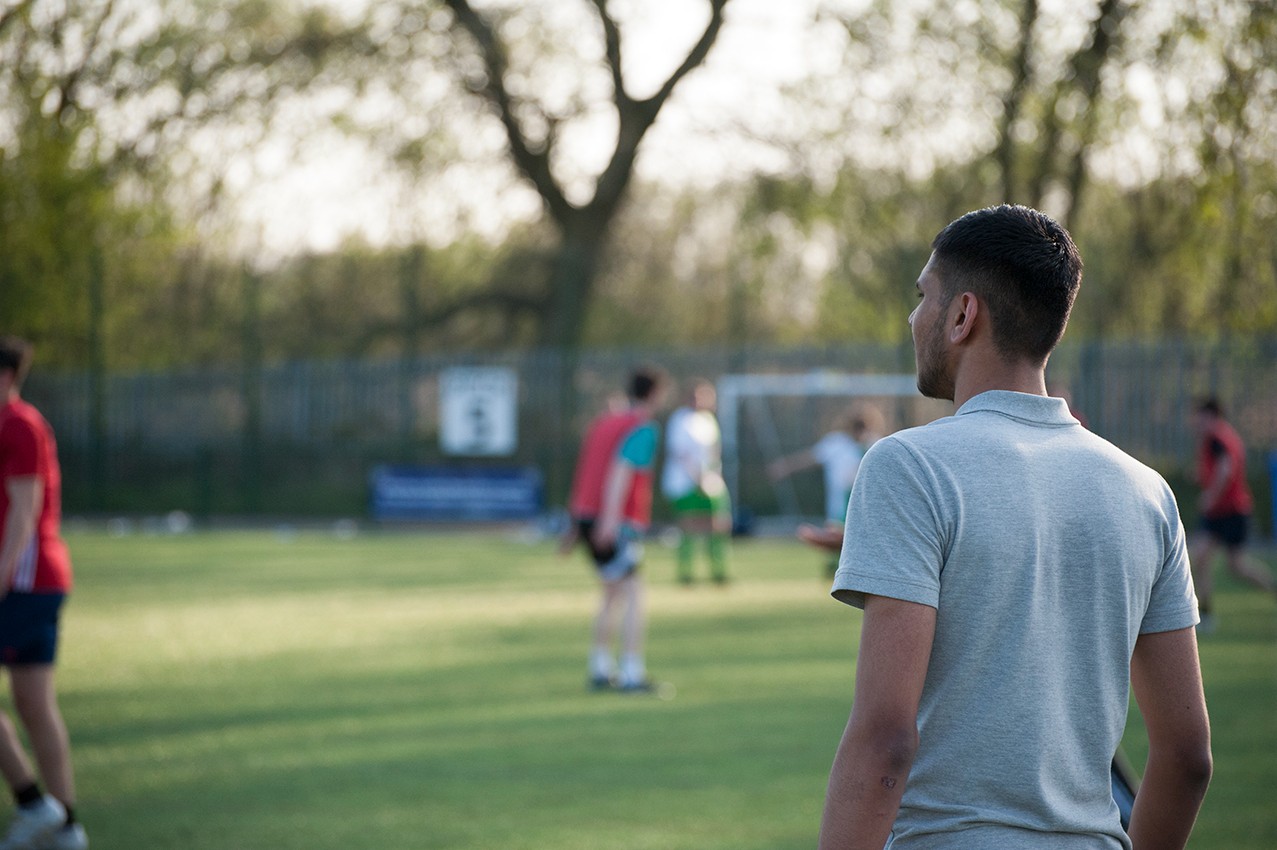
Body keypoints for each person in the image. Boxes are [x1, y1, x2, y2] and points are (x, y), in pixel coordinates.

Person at [817, 206, 1211, 850]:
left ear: (962, 315)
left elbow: (885, 739)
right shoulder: (1147, 492)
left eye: (923, 296)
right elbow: (1188, 755)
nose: (913, 319)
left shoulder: (907, 465)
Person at [0, 337, 87, 850]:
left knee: (35, 704)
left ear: (7, 376)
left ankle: (37, 805)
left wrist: (3, 573)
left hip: (25, 583)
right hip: (31, 583)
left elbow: (25, 509)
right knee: (34, 704)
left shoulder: (18, 424)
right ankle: (65, 826)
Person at [564, 367, 667, 693]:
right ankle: (632, 674)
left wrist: (573, 526)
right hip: (613, 522)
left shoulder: (604, 423)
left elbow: (585, 471)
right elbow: (620, 472)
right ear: (655, 394)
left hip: (587, 518)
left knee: (611, 594)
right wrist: (610, 521)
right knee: (634, 593)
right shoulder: (641, 427)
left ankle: (600, 667)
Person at [1189, 397, 1276, 633]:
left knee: (1236, 566)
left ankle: (1272, 587)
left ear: (1210, 415)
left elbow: (1226, 469)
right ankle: (1205, 614)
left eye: (1199, 416)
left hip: (1231, 511)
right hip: (1219, 512)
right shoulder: (1220, 437)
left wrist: (1211, 495)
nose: (1195, 421)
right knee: (1201, 557)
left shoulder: (1217, 437)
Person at [770, 404, 884, 575]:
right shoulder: (836, 443)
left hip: (866, 506)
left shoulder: (876, 445)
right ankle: (835, 570)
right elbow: (809, 458)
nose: (860, 432)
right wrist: (785, 466)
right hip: (839, 505)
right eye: (857, 427)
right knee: (836, 541)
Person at [661, 379, 731, 585]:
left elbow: (714, 451)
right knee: (689, 525)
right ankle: (686, 572)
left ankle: (718, 571)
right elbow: (680, 453)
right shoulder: (680, 420)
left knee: (719, 523)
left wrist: (714, 477)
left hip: (710, 481)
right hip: (685, 483)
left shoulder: (709, 420)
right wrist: (698, 478)